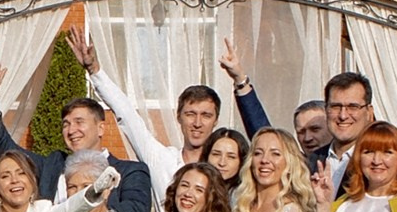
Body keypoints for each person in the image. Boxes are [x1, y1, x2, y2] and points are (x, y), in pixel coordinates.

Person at [70, 29, 268, 193]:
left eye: (206, 115)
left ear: (216, 120)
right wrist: (95, 70)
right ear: (179, 117)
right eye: (190, 114)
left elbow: (266, 140)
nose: (197, 123)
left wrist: (240, 79)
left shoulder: (224, 167)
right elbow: (127, 115)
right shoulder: (162, 159)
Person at [0, 70, 154, 212]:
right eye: (66, 124)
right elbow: (5, 145)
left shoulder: (130, 171)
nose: (71, 130)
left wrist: (82, 207)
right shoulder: (51, 166)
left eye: (79, 122)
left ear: (100, 128)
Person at [317, 73, 376, 185]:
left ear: (369, 112)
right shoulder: (309, 163)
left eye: (353, 107)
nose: (343, 116)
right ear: (326, 110)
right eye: (335, 107)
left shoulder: (378, 165)